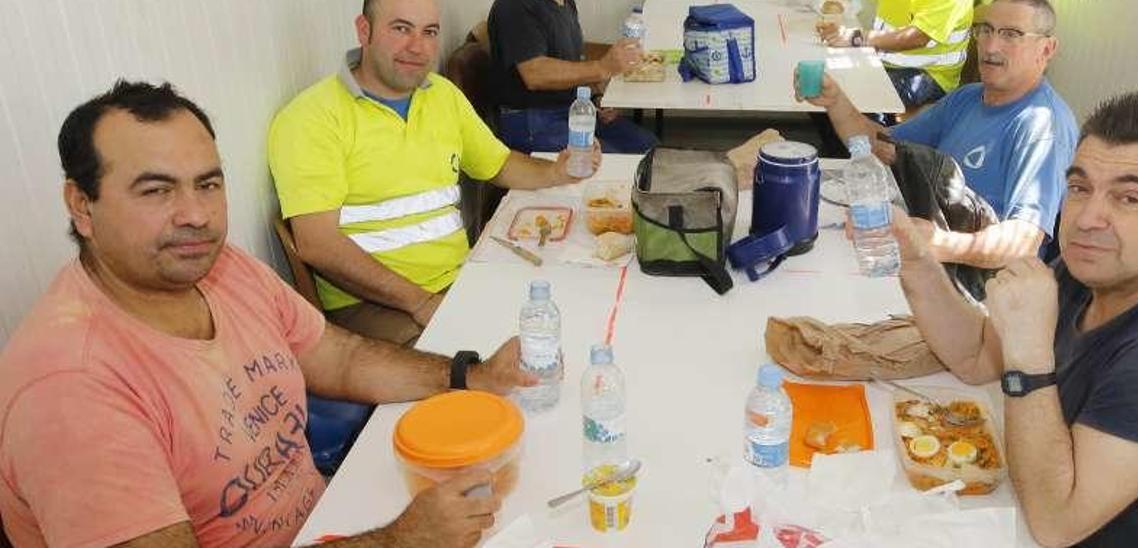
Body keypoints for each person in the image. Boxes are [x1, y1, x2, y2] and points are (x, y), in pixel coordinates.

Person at [0, 80, 535, 547]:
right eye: (156, 190)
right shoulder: (70, 387)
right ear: (81, 206)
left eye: (207, 184)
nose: (195, 215)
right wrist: (405, 540)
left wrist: (471, 375)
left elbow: (340, 357)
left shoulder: (222, 269)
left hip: (328, 521)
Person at [888, 90, 1138, 546]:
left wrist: (1029, 354)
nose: (1087, 218)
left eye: (1129, 198)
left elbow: (1055, 524)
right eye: (1079, 188)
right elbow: (975, 357)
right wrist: (916, 259)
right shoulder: (1091, 272)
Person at [268, 0, 600, 347]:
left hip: (456, 280)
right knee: (502, 359)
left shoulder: (442, 95)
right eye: (400, 29)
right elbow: (317, 244)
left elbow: (498, 164)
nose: (417, 47)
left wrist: (558, 172)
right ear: (363, 30)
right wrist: (419, 301)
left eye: (429, 32)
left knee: (568, 315)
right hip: (373, 303)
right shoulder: (312, 117)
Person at [803, 0, 1076, 269]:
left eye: (1010, 34)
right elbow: (881, 145)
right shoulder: (967, 99)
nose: (991, 46)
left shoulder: (1042, 126)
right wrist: (835, 101)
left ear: (1047, 48)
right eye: (985, 30)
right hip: (931, 253)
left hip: (982, 289)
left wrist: (938, 244)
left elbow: (1023, 244)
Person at [487, 0, 660, 154]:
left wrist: (596, 97)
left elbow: (572, 61)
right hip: (531, 121)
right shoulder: (514, 6)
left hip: (570, 110)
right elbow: (534, 73)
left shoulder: (565, 3)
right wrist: (602, 67)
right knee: (612, 163)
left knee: (649, 149)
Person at [821, 0, 974, 113]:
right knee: (822, 83)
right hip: (887, 61)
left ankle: (871, 146)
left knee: (854, 94)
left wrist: (854, 37)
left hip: (930, 74)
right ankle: (838, 149)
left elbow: (916, 37)